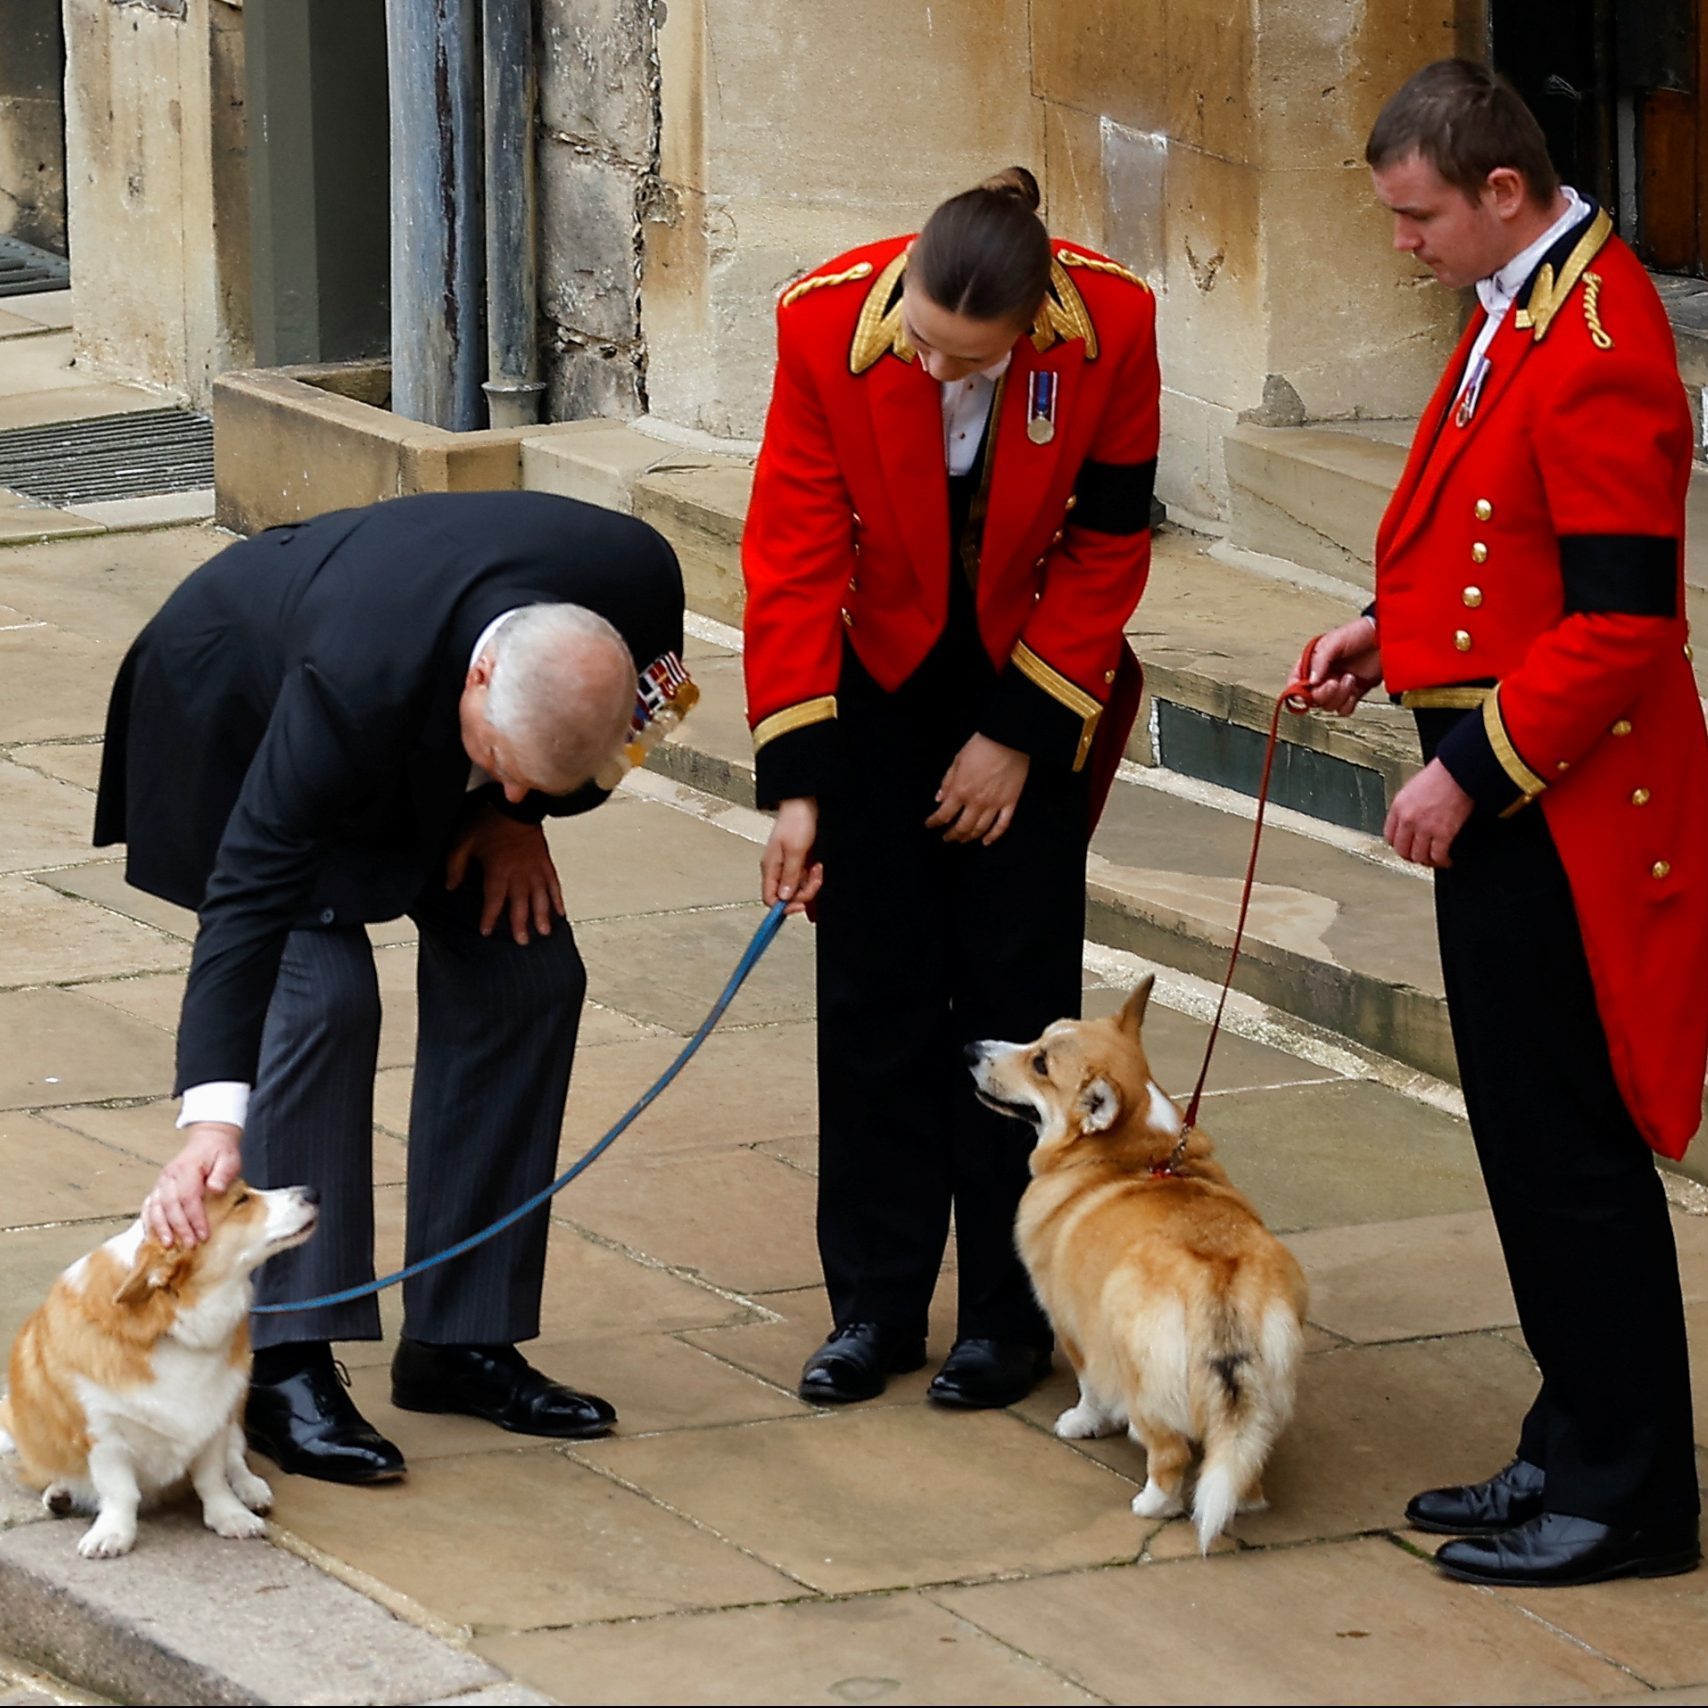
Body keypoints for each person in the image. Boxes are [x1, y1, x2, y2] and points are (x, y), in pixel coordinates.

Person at [1303, 59, 1706, 1587]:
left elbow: (1618, 626)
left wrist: (1465, 766)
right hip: (1515, 786)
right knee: (1522, 1140)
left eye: (1417, 220)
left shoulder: (1601, 337)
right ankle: (1570, 1435)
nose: (1403, 247)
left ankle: (1631, 1496)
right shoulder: (1526, 303)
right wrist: (1379, 632)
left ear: (1502, 193)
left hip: (1567, 808)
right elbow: (1495, 541)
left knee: (1572, 1151)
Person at [95, 490, 688, 1484]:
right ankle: (284, 1359)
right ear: (484, 677)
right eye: (502, 768)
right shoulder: (351, 675)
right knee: (322, 996)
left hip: (422, 738)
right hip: (235, 720)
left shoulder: (639, 579)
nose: (511, 788)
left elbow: (650, 716)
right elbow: (246, 896)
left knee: (528, 973)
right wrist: (211, 1118)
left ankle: (462, 1339)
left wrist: (521, 820)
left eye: (530, 781)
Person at [741, 167, 1161, 1409]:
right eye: (920, 340)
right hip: (871, 685)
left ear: (1031, 328)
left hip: (1028, 677)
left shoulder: (1115, 326)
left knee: (1015, 1006)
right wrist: (799, 788)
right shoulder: (822, 321)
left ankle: (1006, 1317)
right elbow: (793, 549)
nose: (930, 371)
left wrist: (1018, 734)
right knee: (872, 999)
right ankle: (873, 1306)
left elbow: (1110, 538)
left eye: (963, 360)